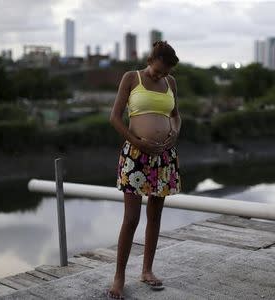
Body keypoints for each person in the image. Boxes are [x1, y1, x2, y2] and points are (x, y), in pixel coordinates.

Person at [107, 40, 181, 299]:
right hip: (136, 156)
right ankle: (119, 277)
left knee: (155, 216)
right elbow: (115, 117)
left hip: (163, 157)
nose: (161, 75)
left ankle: (147, 271)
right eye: (158, 70)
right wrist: (137, 141)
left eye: (165, 72)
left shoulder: (170, 83)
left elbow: (175, 115)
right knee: (131, 218)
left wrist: (174, 133)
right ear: (150, 61)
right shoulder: (131, 78)